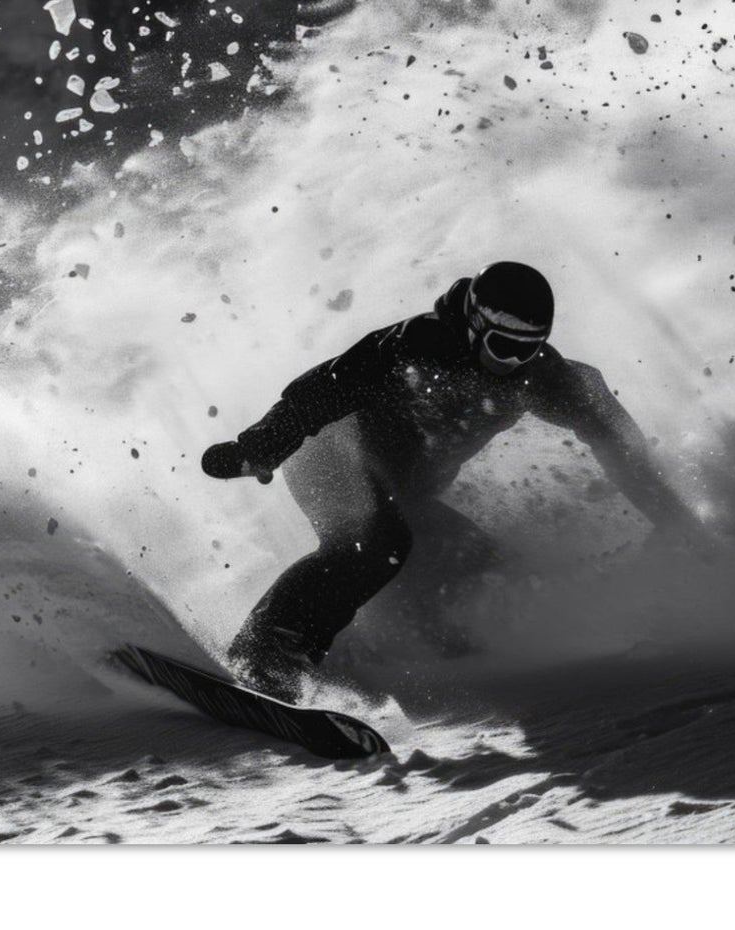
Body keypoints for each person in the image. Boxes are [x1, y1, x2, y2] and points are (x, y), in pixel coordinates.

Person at [201, 261, 705, 699]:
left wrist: (676, 520)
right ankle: (265, 651)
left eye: (528, 351)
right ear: (474, 325)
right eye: (502, 346)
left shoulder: (542, 377)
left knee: (488, 577)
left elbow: (621, 449)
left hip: (405, 496)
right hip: (331, 462)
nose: (513, 364)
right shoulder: (413, 346)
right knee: (378, 544)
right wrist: (260, 447)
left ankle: (372, 648)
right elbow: (321, 391)